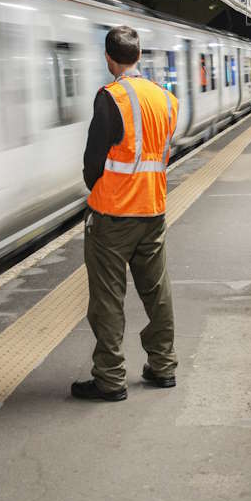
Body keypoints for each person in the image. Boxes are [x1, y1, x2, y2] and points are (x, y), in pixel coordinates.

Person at [71, 26, 180, 402]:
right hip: (154, 210)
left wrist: (98, 187)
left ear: (108, 58)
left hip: (114, 216)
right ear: (139, 56)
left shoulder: (110, 98)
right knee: (157, 292)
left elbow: (92, 162)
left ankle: (111, 378)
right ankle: (163, 366)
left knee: (107, 299)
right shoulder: (167, 99)